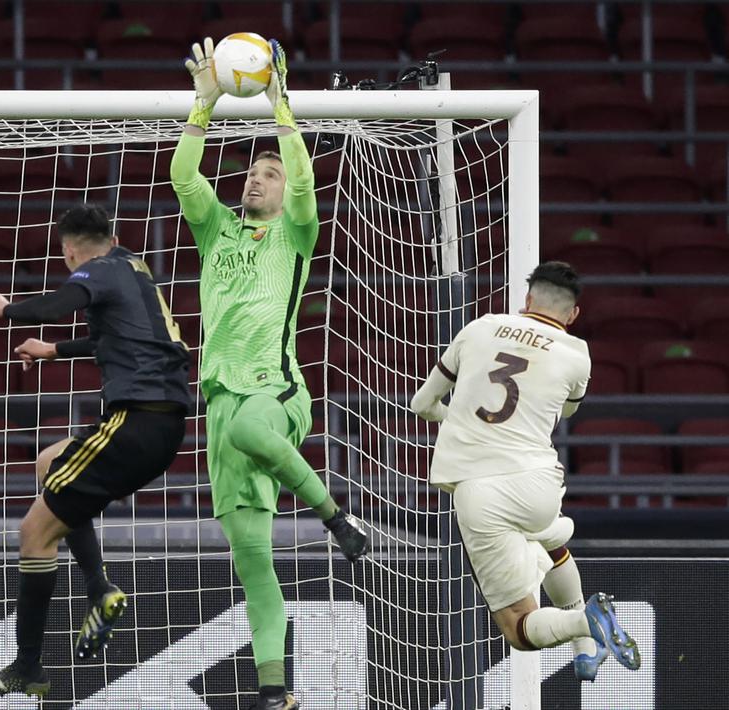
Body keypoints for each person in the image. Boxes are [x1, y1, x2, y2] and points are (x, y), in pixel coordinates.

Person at [170, 38, 368, 710]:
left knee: (257, 432)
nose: (256, 179)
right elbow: (181, 176)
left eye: (268, 173)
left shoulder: (297, 233)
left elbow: (305, 181)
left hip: (274, 391)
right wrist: (203, 106)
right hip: (218, 404)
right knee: (252, 562)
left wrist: (281, 103)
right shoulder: (216, 229)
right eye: (251, 172)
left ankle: (334, 516)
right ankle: (274, 692)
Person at [0, 204, 191, 700]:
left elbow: (54, 305)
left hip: (136, 421)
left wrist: (2, 307)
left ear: (70, 250)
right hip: (159, 423)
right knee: (51, 462)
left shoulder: (96, 270)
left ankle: (28, 666)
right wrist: (54, 351)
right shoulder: (133, 266)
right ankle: (98, 589)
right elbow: (114, 337)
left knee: (34, 532)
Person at [410, 261, 641, 681]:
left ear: (527, 298)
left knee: (518, 627)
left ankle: (583, 624)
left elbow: (422, 406)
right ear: (573, 315)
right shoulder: (578, 355)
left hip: (481, 491)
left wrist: (460, 420)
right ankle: (586, 648)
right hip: (538, 480)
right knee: (546, 539)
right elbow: (564, 411)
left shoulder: (478, 328)